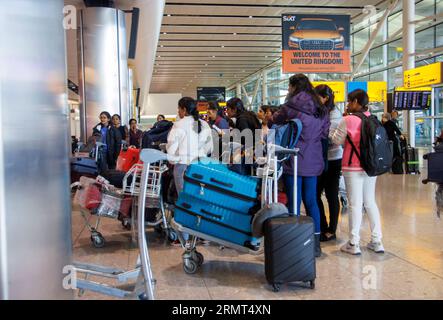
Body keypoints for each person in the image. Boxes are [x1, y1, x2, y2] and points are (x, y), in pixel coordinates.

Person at [269, 74, 330, 257]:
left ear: (294, 86)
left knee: (294, 202)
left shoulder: (290, 107)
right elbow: (325, 134)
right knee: (311, 201)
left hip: (293, 160)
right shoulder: (321, 109)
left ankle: (294, 242)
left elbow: (275, 121)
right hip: (313, 160)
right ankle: (316, 244)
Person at [330, 89, 384, 255]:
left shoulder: (348, 120)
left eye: (349, 101)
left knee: (354, 203)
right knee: (370, 202)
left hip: (352, 166)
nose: (347, 104)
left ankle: (354, 243)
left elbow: (336, 141)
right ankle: (377, 241)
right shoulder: (372, 119)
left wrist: (333, 132)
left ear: (355, 102)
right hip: (370, 166)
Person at [313, 85, 343, 242]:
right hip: (320, 158)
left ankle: (332, 230)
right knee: (316, 194)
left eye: (316, 96)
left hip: (333, 159)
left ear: (325, 97)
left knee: (331, 194)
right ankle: (323, 226)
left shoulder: (334, 114)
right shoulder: (321, 112)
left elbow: (332, 137)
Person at [167, 97, 213, 195]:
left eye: (179, 108)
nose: (178, 111)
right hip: (201, 166)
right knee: (200, 196)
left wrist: (174, 159)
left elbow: (171, 150)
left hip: (183, 167)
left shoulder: (178, 125)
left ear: (184, 109)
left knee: (184, 198)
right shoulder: (204, 124)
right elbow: (210, 147)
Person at [226, 98, 261, 174]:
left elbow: (246, 138)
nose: (227, 111)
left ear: (234, 109)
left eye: (228, 109)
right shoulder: (249, 115)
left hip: (249, 153)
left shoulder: (241, 119)